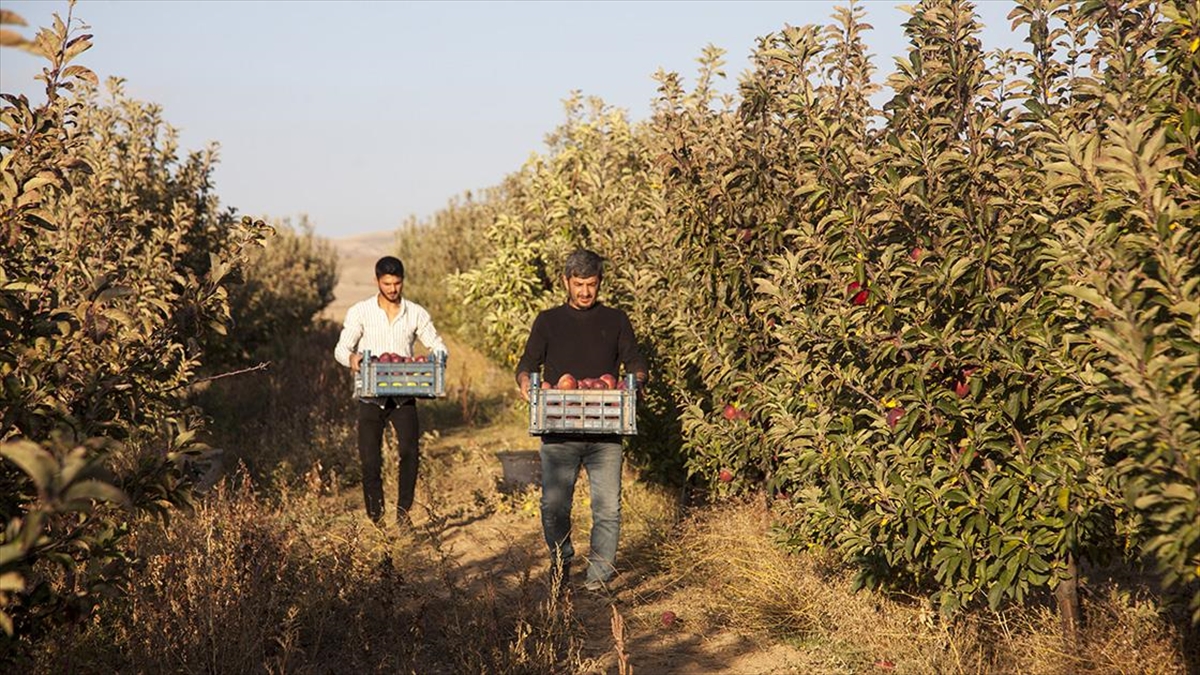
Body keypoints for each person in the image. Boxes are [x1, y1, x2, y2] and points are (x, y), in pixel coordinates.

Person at [516, 249, 649, 593]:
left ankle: (598, 580)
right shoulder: (548, 321)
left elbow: (635, 361)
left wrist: (636, 381)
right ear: (566, 282)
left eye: (591, 284)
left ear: (600, 282)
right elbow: (526, 365)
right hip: (560, 430)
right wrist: (525, 385)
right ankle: (561, 562)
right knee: (554, 506)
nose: (585, 292)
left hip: (606, 430)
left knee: (608, 509)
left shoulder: (616, 320)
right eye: (579, 285)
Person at [335, 255, 447, 527]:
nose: (393, 289)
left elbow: (437, 344)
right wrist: (351, 360)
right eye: (387, 284)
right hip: (370, 395)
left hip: (403, 394)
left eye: (397, 283)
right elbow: (342, 348)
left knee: (410, 453)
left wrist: (438, 360)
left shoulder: (416, 313)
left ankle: (403, 515)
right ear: (377, 281)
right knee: (370, 459)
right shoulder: (360, 311)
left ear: (403, 281)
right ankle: (377, 519)